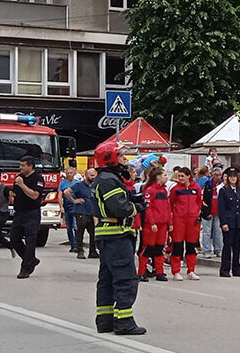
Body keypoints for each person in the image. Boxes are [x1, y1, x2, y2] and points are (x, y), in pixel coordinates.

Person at [92, 141, 146, 336]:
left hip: (108, 235)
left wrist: (133, 198)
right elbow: (119, 208)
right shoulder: (108, 180)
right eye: (121, 156)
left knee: (107, 279)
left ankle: (105, 320)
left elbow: (117, 201)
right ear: (111, 159)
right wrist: (138, 207)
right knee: (126, 279)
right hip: (117, 234)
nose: (124, 159)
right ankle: (124, 322)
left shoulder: (106, 178)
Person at [10, 155, 46, 279]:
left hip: (32, 213)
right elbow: (14, 193)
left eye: (23, 165)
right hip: (19, 213)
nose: (20, 167)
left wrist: (22, 185)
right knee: (14, 239)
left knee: (30, 240)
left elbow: (35, 195)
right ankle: (31, 259)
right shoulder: (19, 178)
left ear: (30, 166)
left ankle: (25, 267)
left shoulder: (38, 178)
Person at [168, 167, 202, 280]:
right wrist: (171, 220)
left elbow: (199, 203)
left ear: (188, 176)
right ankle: (176, 271)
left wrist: (197, 216)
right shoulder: (175, 189)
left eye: (182, 176)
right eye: (179, 176)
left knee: (191, 245)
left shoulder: (196, 188)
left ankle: (191, 270)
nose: (180, 178)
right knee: (177, 245)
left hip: (192, 221)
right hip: (179, 220)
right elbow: (170, 204)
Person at [139, 166, 171, 282]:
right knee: (147, 248)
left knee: (159, 248)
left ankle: (159, 271)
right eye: (164, 175)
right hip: (152, 225)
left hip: (162, 224)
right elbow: (148, 208)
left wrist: (169, 222)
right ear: (158, 177)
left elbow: (167, 207)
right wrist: (152, 222)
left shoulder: (164, 190)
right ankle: (141, 272)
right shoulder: (150, 190)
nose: (166, 177)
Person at [217, 166, 240, 277]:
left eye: (235, 177)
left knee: (237, 247)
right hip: (229, 222)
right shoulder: (224, 191)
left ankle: (236, 269)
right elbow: (222, 208)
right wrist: (223, 222)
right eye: (231, 177)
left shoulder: (239, 190)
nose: (233, 179)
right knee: (227, 246)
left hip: (238, 222)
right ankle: (225, 269)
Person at [67, 168, 99, 260]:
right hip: (81, 212)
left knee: (93, 232)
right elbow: (66, 192)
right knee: (80, 232)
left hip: (92, 213)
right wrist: (74, 200)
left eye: (94, 175)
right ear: (85, 175)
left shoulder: (95, 186)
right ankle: (80, 251)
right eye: (91, 175)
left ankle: (92, 251)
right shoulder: (79, 185)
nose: (93, 177)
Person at [200, 166, 223, 258]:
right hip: (208, 211)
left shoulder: (223, 185)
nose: (218, 177)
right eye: (216, 175)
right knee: (207, 232)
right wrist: (206, 212)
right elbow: (204, 200)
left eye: (219, 175)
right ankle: (206, 250)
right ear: (212, 175)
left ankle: (218, 249)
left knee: (218, 231)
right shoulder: (208, 184)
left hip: (219, 211)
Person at [59, 165, 78, 254]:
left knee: (75, 226)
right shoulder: (62, 183)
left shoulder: (77, 183)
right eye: (68, 173)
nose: (69, 175)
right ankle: (72, 245)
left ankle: (77, 245)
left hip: (75, 207)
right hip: (67, 207)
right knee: (69, 227)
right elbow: (60, 195)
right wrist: (61, 207)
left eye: (71, 173)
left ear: (74, 173)